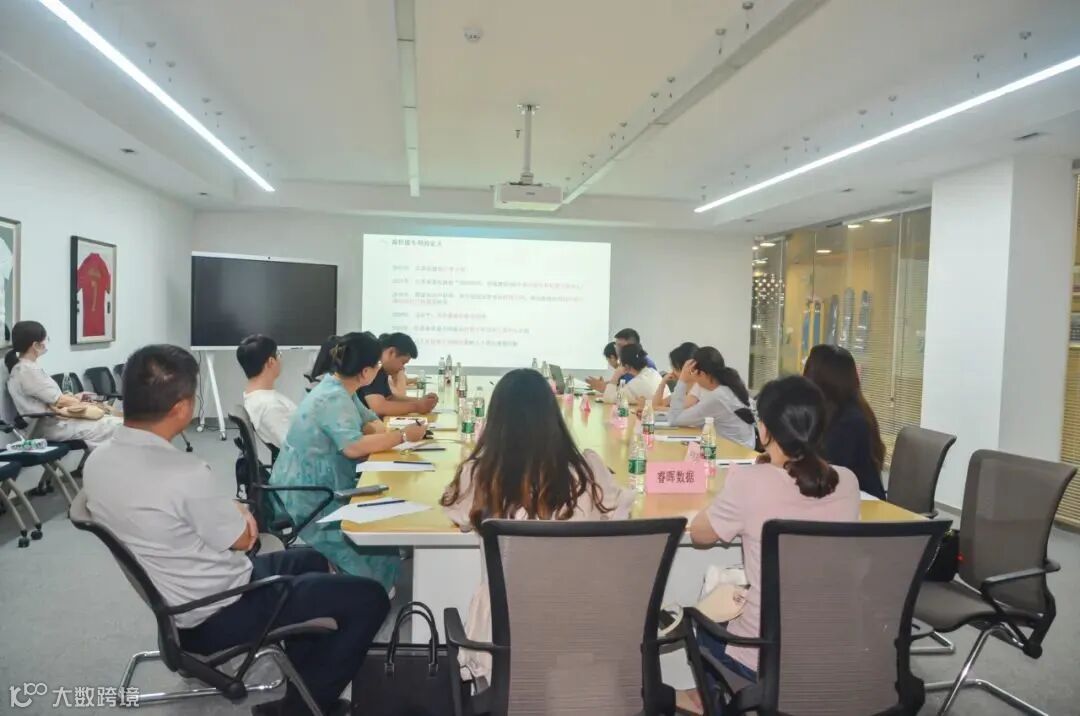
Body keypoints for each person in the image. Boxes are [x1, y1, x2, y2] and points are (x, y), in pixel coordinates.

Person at [83, 344, 388, 716]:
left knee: (314, 559)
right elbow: (244, 539)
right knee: (370, 598)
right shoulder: (183, 473)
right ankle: (301, 709)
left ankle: (298, 684)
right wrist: (239, 511)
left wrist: (229, 510)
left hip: (187, 596)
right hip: (220, 609)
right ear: (181, 409)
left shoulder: (98, 460)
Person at [440, 368, 634, 682]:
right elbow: (619, 509)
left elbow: (457, 513)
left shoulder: (480, 473)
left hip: (505, 633)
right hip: (582, 624)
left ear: (496, 421)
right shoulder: (587, 469)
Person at [682, 375, 859, 711]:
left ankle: (713, 700)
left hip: (761, 654)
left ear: (764, 430)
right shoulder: (848, 481)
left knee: (698, 619)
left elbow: (701, 534)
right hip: (833, 647)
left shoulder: (750, 482)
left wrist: (734, 489)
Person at [270, 332, 426, 592]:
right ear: (365, 372)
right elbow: (353, 447)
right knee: (371, 542)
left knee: (382, 534)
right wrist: (402, 436)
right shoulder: (332, 398)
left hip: (327, 480)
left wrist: (385, 435)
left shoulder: (342, 389)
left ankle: (372, 587)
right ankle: (365, 593)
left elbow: (372, 422)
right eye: (376, 366)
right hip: (311, 495)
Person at [4, 320, 120, 448]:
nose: (47, 342)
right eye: (45, 339)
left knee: (112, 423)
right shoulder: (27, 371)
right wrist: (81, 401)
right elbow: (58, 401)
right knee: (114, 427)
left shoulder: (26, 368)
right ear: (36, 345)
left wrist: (76, 397)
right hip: (50, 427)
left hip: (56, 422)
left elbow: (51, 397)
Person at [803, 344, 887, 499]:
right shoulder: (836, 412)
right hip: (841, 499)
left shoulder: (849, 423)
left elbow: (826, 474)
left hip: (859, 505)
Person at [667, 347, 756, 447]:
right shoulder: (728, 388)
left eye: (692, 372)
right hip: (741, 449)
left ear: (702, 374)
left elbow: (673, 420)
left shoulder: (717, 398)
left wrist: (682, 380)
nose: (692, 377)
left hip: (735, 452)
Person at [237, 334, 295, 449]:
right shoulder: (270, 407)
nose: (281, 359)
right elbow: (295, 449)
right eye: (279, 354)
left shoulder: (253, 395)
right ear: (271, 362)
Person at [359, 332, 438, 417]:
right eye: (403, 362)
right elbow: (379, 407)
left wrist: (421, 401)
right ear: (391, 352)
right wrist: (417, 406)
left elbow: (389, 398)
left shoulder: (382, 370)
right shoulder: (373, 366)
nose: (402, 368)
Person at [653, 341, 701, 408]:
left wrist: (659, 408)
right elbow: (656, 405)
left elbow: (658, 407)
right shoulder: (683, 389)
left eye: (675, 368)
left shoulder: (698, 391)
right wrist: (663, 383)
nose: (672, 372)